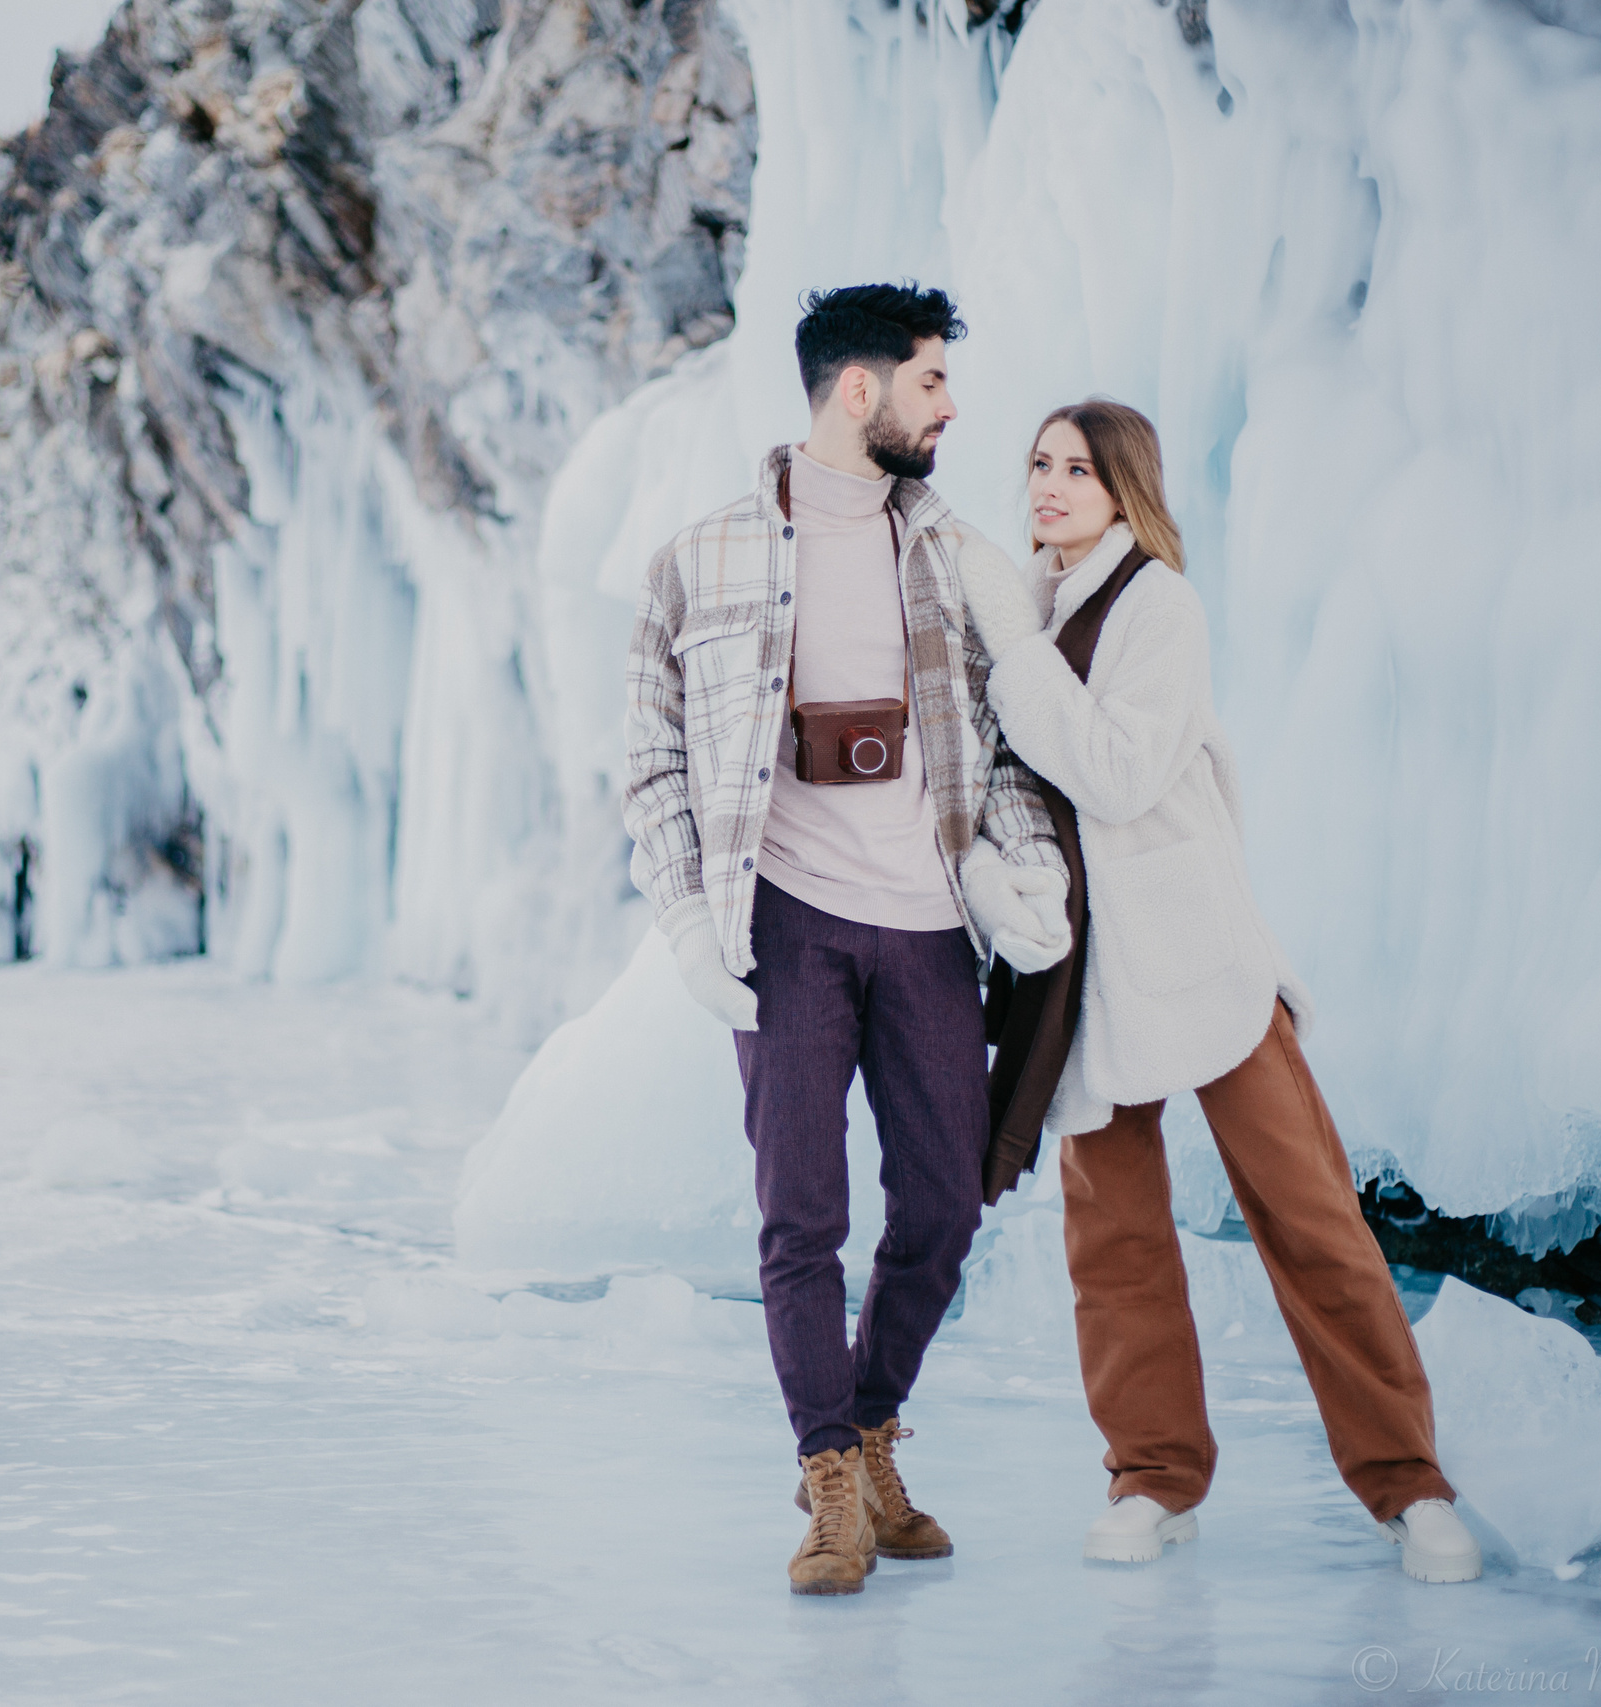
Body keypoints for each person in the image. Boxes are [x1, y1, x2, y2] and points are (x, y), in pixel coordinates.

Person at [955, 398, 1483, 1584]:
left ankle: (1407, 1482)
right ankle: (1152, 1478)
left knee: (1310, 1217)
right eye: (1038, 464)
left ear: (1124, 489)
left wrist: (1016, 654)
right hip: (1080, 974)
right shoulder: (1026, 611)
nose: (1048, 486)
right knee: (1115, 1243)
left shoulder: (1156, 605)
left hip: (1197, 953)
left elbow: (1116, 772)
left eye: (1078, 469)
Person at [621, 283, 1072, 1596]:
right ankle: (829, 1479)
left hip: (930, 927)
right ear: (859, 388)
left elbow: (1005, 747)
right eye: (931, 380)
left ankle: (870, 1428)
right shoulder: (697, 560)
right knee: (801, 1214)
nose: (951, 408)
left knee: (941, 1205)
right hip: (788, 926)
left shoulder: (953, 556)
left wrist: (1025, 872)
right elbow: (651, 761)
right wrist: (689, 924)